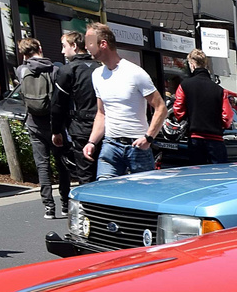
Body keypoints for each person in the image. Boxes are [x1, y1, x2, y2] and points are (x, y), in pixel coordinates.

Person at [81, 22, 166, 178]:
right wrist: (92, 142)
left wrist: (148, 138)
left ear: (103, 44)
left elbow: (160, 107)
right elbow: (101, 113)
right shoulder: (97, 75)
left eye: (90, 42)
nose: (86, 47)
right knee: (105, 192)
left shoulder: (135, 73)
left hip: (137, 146)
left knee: (142, 197)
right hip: (110, 145)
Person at [14, 38, 67, 219]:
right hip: (55, 124)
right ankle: (65, 204)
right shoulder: (55, 70)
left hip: (33, 123)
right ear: (41, 48)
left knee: (42, 165)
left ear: (23, 54)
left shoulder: (22, 70)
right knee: (61, 165)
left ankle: (48, 207)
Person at [51, 30, 99, 190]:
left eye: (64, 46)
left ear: (74, 46)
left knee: (85, 175)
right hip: (105, 128)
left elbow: (58, 104)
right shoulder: (99, 68)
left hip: (81, 129)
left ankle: (88, 212)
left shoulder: (68, 70)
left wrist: (56, 131)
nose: (62, 51)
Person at [172, 49, 235, 165]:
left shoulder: (184, 85)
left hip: (196, 137)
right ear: (205, 64)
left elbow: (178, 110)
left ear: (192, 64)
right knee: (219, 176)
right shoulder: (219, 90)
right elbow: (227, 117)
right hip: (216, 139)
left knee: (197, 177)